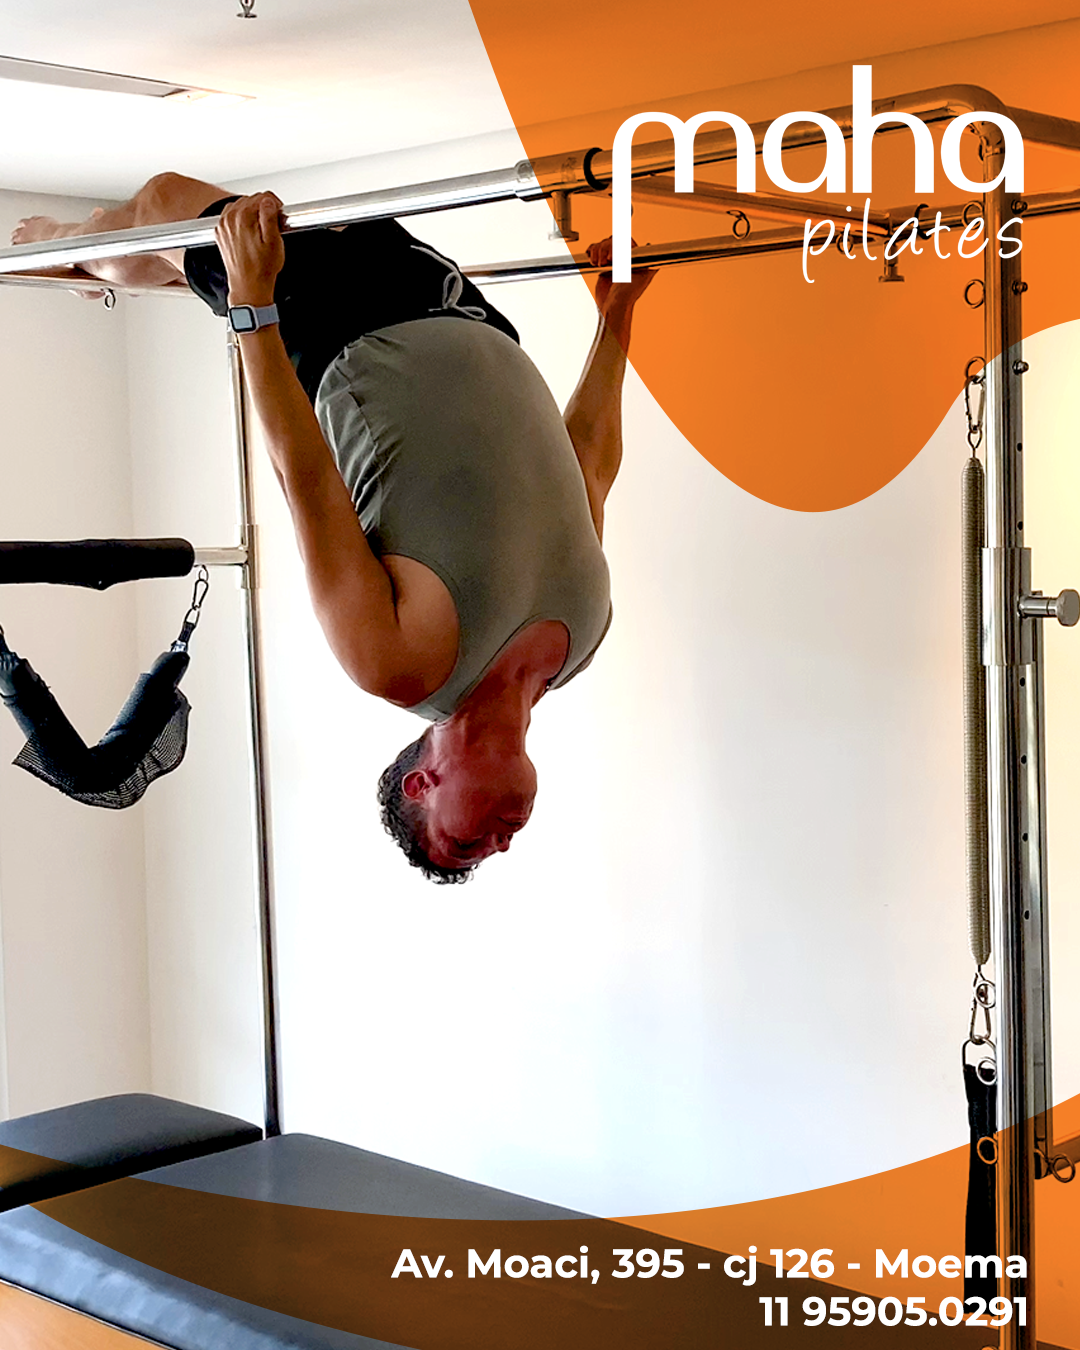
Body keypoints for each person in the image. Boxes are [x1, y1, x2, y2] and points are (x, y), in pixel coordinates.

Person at [12, 174, 654, 881]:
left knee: (168, 208)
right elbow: (589, 466)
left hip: (342, 331)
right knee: (177, 236)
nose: (500, 846)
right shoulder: (581, 641)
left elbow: (306, 478)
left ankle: (62, 246)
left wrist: (252, 307)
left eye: (465, 845)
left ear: (424, 785)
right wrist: (616, 314)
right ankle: (104, 254)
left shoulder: (397, 665)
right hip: (467, 314)